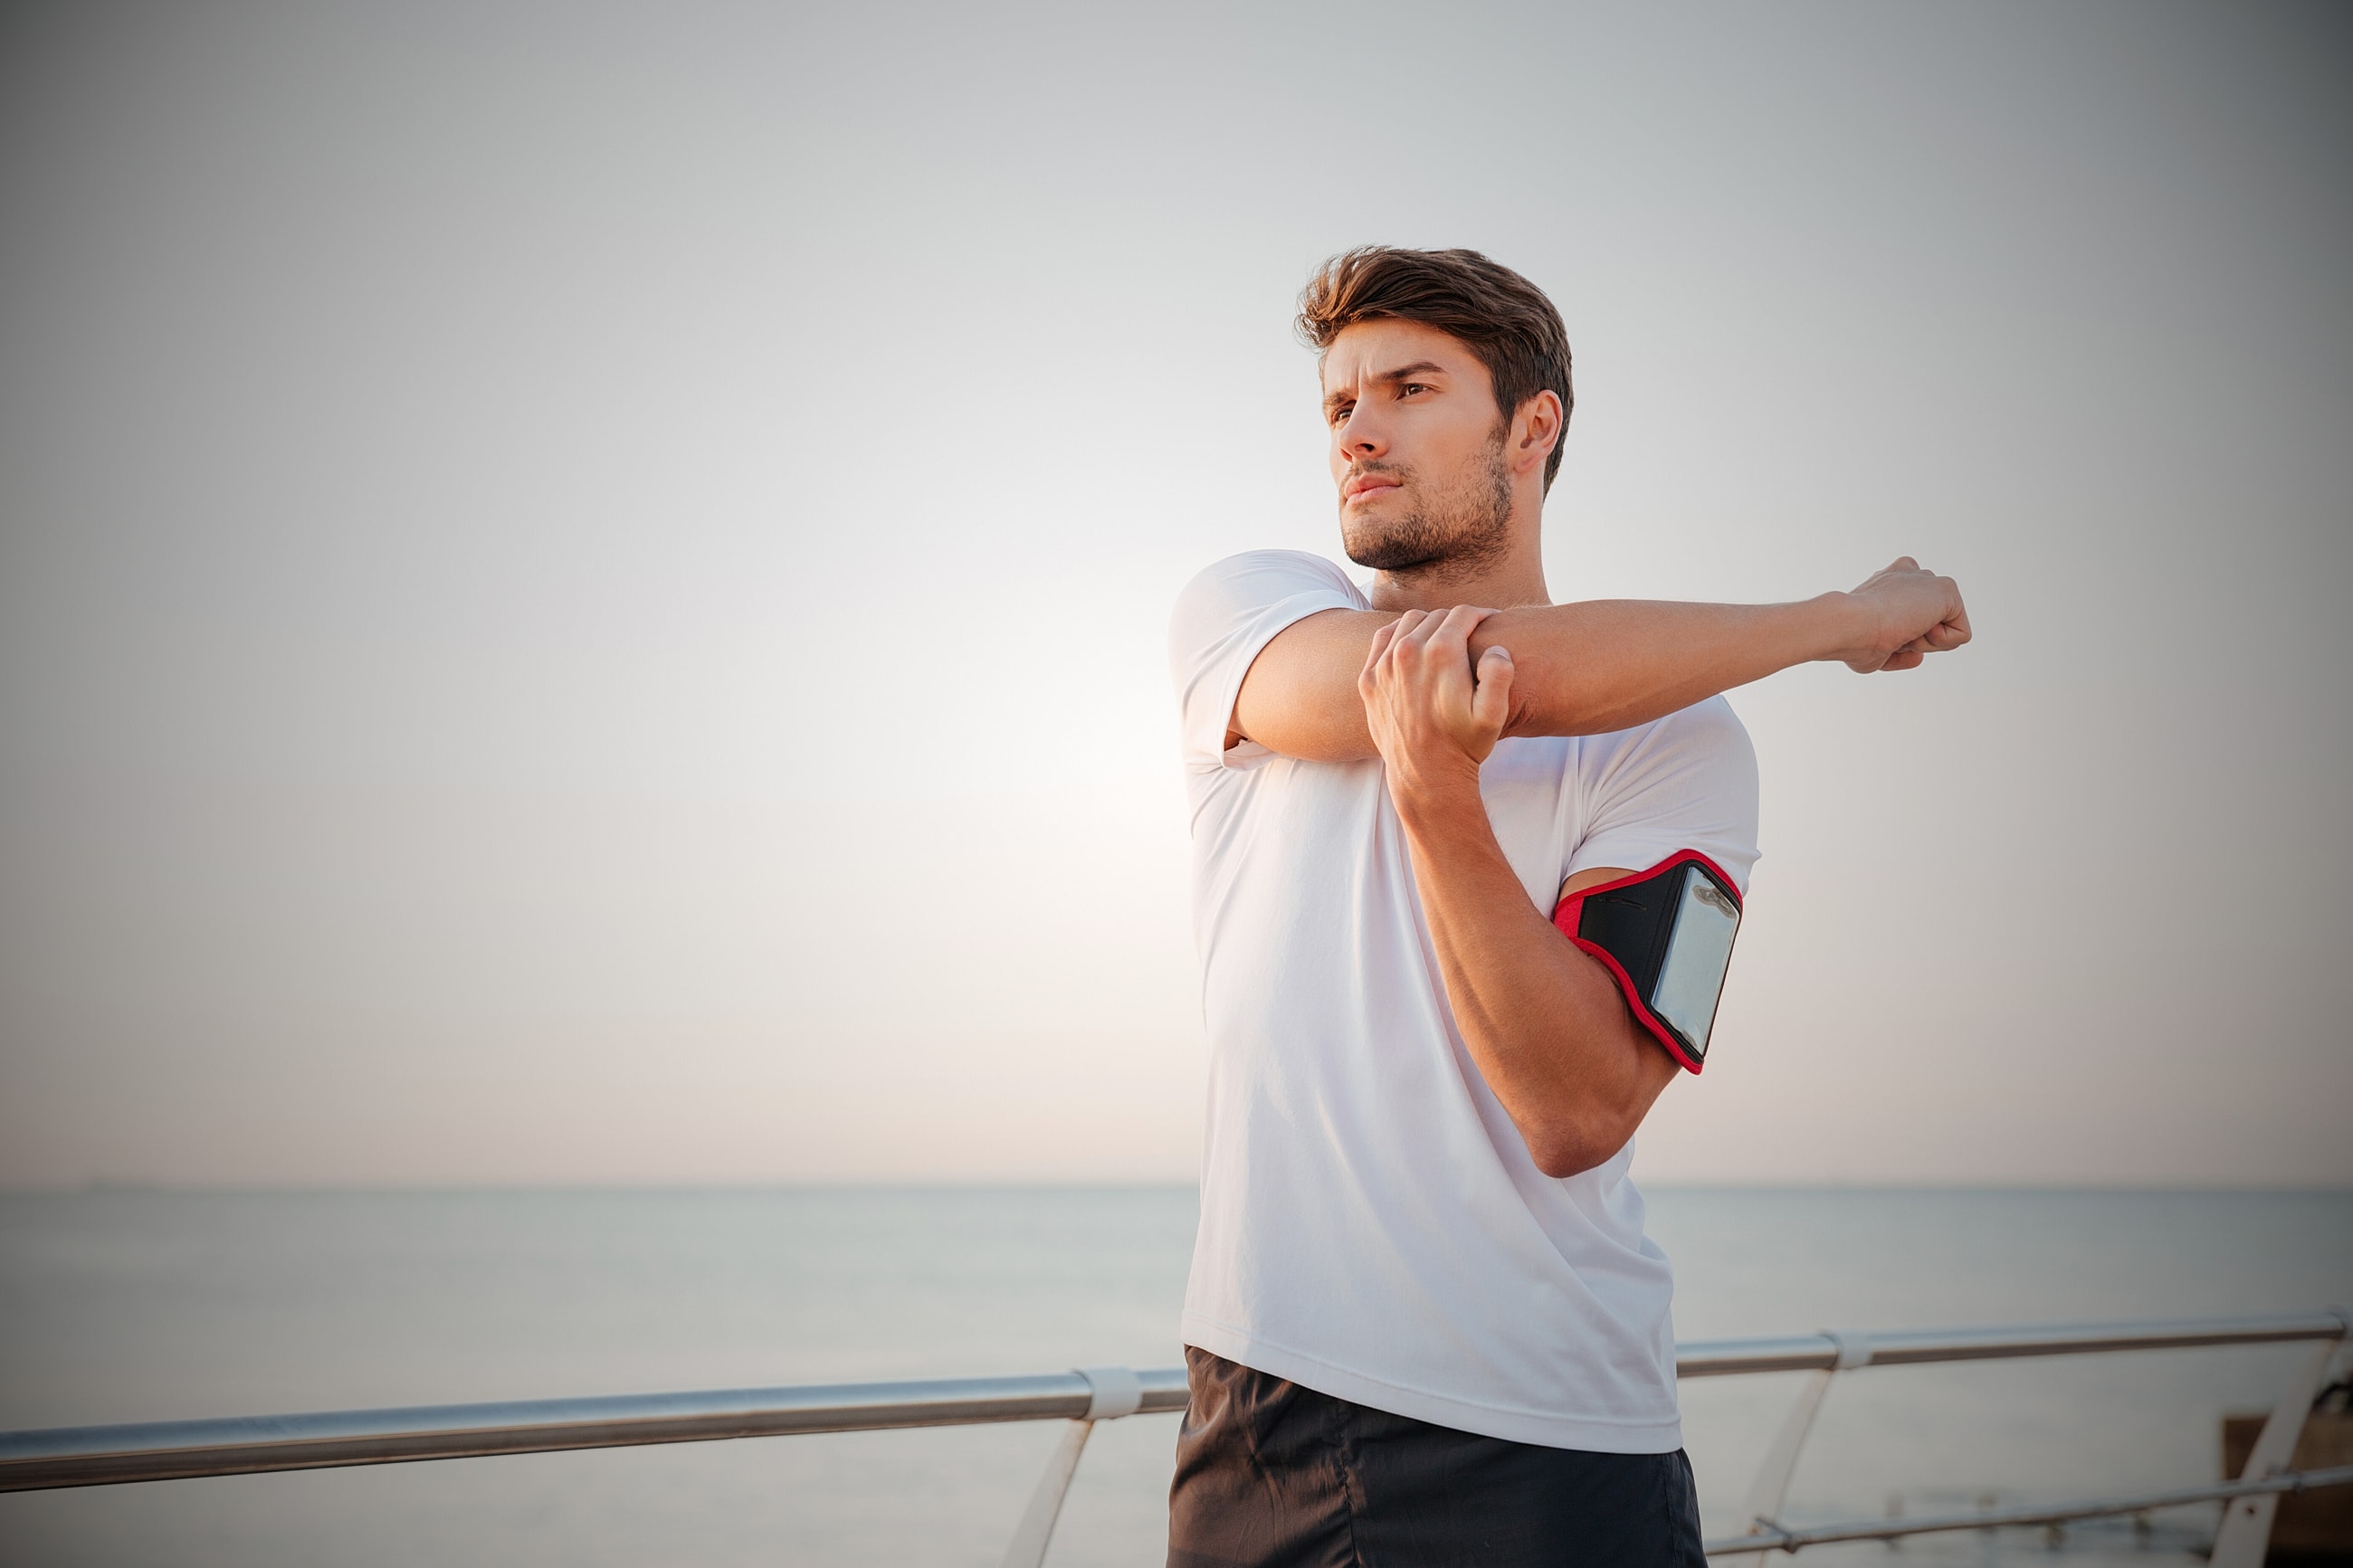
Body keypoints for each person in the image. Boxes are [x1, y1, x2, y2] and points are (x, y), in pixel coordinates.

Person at [1163, 246, 1970, 1567]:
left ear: (1532, 425)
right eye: (1337, 402)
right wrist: (1834, 619)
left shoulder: (1688, 746)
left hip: (1554, 1452)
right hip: (1259, 1422)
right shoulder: (1250, 612)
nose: (1357, 429)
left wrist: (1439, 800)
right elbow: (1469, 675)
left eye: (1410, 387)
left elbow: (1579, 1107)